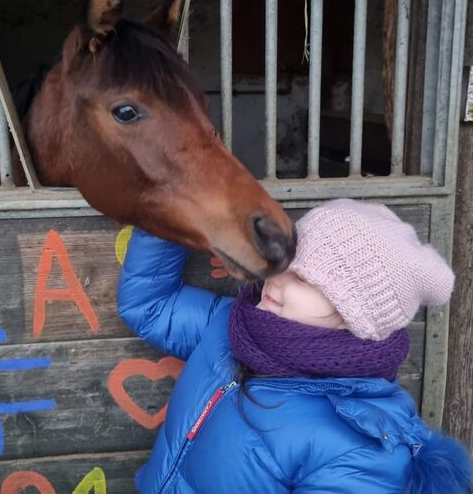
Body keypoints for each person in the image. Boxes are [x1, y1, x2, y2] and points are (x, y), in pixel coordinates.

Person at [117, 199, 472, 493]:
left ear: (354, 313)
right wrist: (164, 207)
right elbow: (151, 306)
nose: (273, 278)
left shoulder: (363, 452)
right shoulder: (232, 325)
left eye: (302, 277)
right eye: (283, 261)